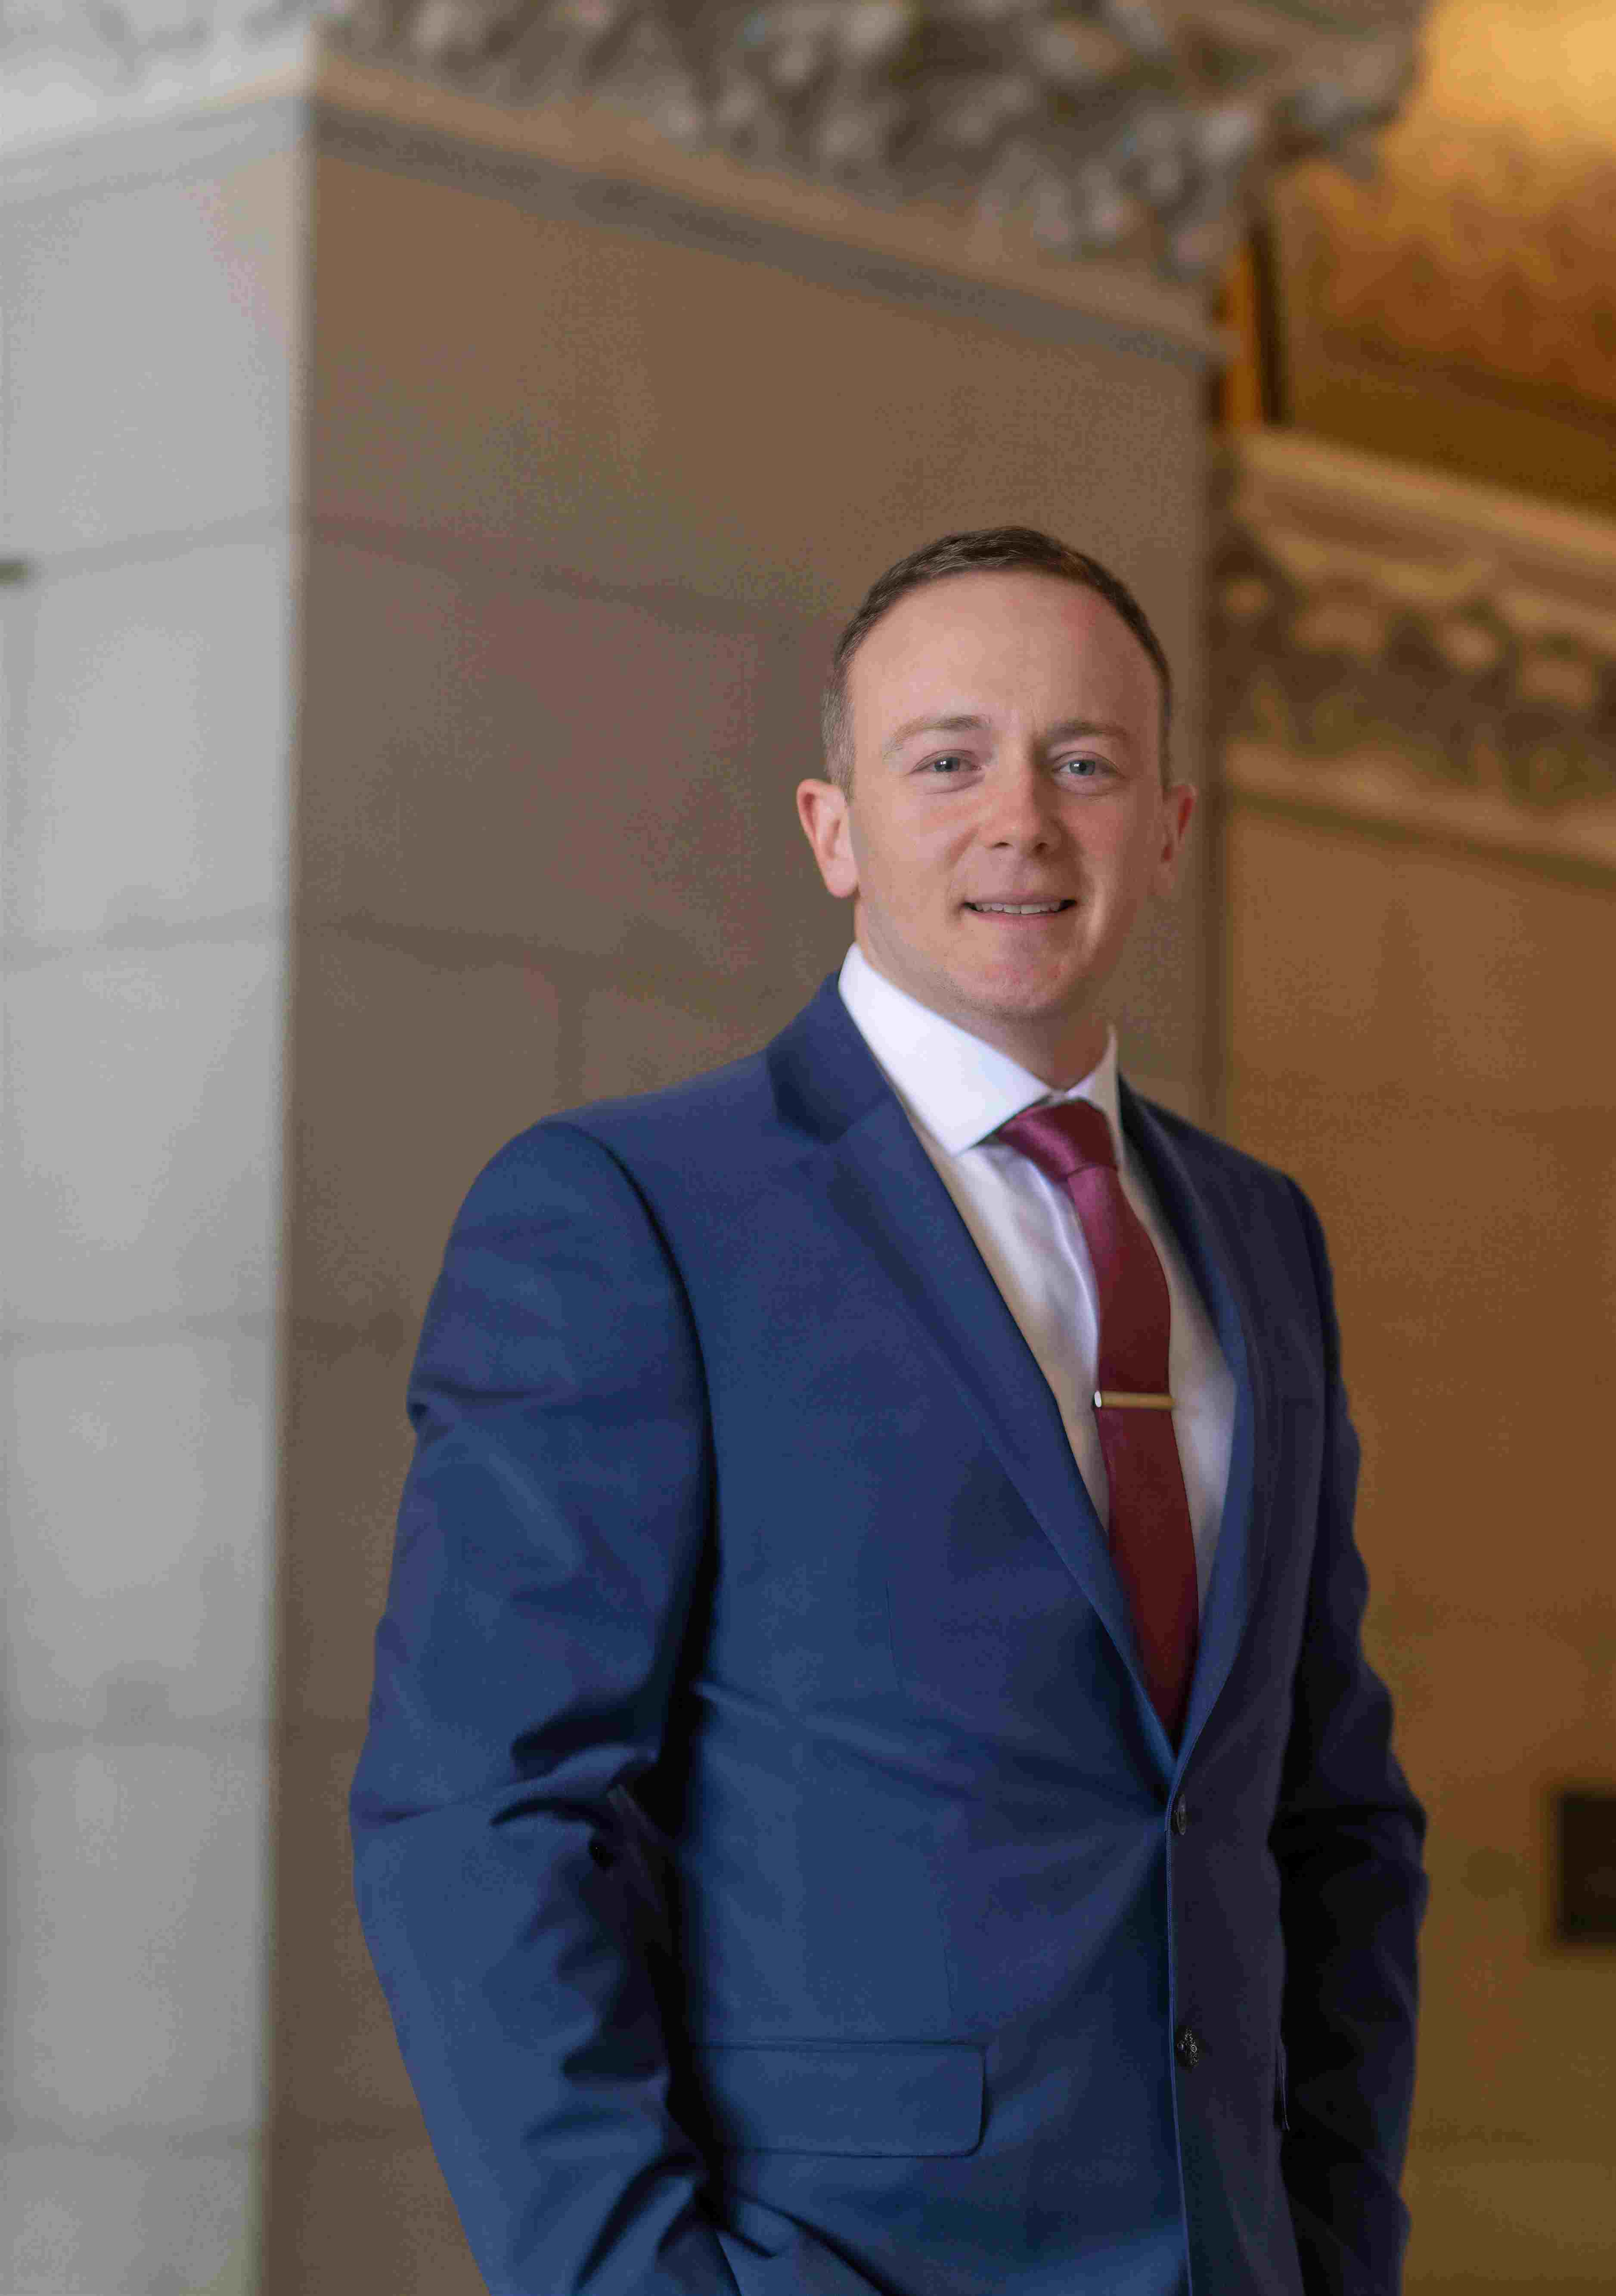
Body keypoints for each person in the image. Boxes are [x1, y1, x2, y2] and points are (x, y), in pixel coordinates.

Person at [350, 527, 1426, 2296]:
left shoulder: (1260, 1240)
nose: (1023, 820)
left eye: (1085, 763)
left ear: (1169, 827)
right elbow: (482, 1812)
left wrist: (1330, 2251)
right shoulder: (633, 1214)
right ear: (832, 828)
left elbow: (1329, 1815)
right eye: (947, 761)